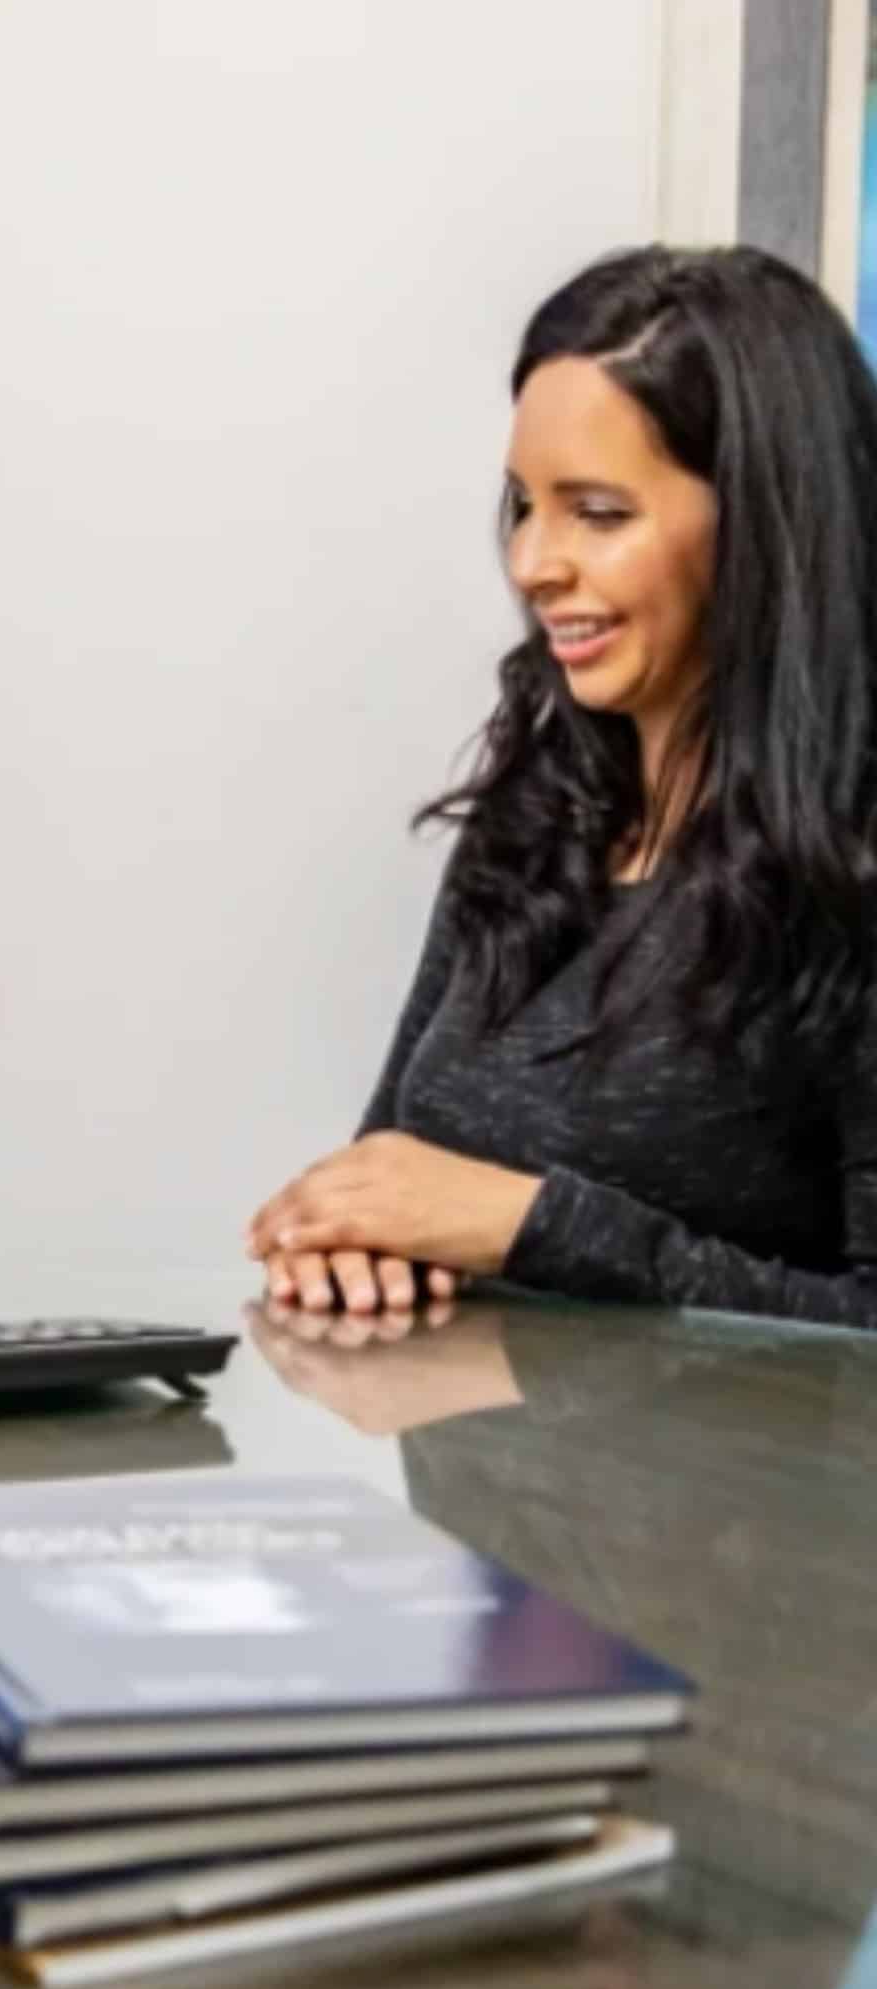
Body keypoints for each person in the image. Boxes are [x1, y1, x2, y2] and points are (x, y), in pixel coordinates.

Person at [247, 244, 877, 1332]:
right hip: (461, 1497)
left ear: (764, 528)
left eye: (595, 512)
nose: (533, 560)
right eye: (521, 505)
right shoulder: (531, 824)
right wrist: (348, 1242)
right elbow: (390, 1167)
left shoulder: (847, 871)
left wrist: (536, 1226)